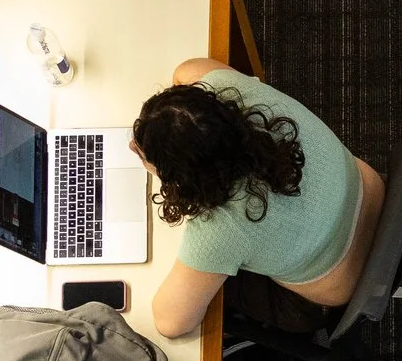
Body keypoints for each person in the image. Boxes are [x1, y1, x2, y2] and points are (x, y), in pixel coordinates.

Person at [134, 61, 385, 339]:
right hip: (374, 194)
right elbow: (186, 70)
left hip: (340, 285)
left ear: (184, 177)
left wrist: (160, 167)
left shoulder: (223, 227)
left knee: (216, 289)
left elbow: (171, 323)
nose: (132, 147)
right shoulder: (231, 89)